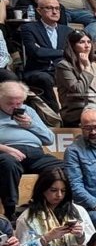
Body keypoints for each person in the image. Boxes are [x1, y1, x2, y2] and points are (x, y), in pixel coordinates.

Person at [15, 166, 95, 246]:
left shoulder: (78, 211)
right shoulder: (27, 217)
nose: (59, 195)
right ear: (42, 190)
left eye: (63, 191)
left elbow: (93, 244)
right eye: (53, 190)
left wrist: (81, 236)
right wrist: (46, 238)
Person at [0, 80, 60, 219]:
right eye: (10, 103)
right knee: (8, 163)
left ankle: (47, 207)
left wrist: (31, 125)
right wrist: (5, 149)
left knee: (61, 168)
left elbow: (49, 139)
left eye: (19, 103)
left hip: (36, 153)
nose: (15, 107)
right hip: (7, 153)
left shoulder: (28, 111)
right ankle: (11, 212)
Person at [18, 0, 70, 122]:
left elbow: (71, 53)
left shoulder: (67, 31)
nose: (54, 12)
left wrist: (44, 51)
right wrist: (62, 52)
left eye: (57, 8)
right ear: (39, 10)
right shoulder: (28, 28)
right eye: (49, 8)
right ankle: (56, 115)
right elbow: (35, 52)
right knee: (44, 78)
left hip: (60, 69)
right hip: (38, 70)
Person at [52, 28, 96, 126]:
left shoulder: (94, 65)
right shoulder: (64, 65)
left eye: (89, 42)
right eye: (82, 42)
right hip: (74, 111)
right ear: (73, 46)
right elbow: (79, 90)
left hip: (95, 109)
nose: (87, 46)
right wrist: (86, 68)